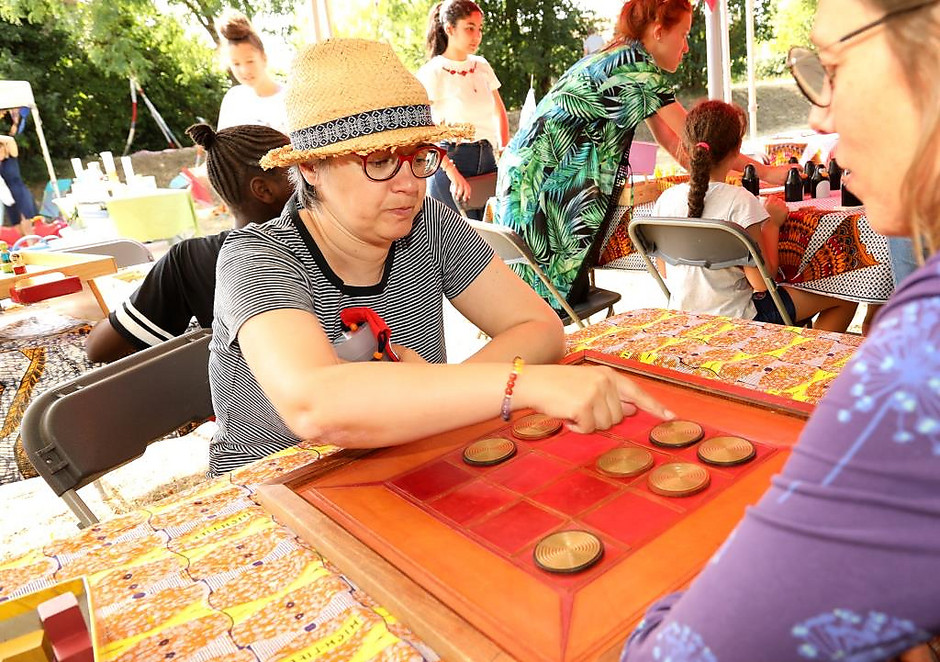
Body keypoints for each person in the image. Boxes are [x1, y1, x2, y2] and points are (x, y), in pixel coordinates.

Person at [620, 1, 940, 659]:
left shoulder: (921, 356)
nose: (818, 115)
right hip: (745, 318)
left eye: (832, 66)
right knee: (838, 303)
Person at [208, 38, 673, 477]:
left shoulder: (424, 220)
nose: (409, 184)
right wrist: (519, 386)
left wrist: (433, 398)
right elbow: (314, 404)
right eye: (379, 160)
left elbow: (541, 329)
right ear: (310, 167)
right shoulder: (255, 257)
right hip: (278, 495)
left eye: (418, 156)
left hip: (411, 466)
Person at [493, 0, 794, 310]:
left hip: (520, 186)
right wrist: (766, 173)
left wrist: (716, 172)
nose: (687, 47)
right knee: (546, 304)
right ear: (660, 31)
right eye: (685, 34)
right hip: (544, 194)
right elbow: (699, 140)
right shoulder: (636, 69)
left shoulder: (622, 59)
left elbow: (678, 146)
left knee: (530, 301)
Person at [84, 124, 292, 363]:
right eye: (299, 171)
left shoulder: (193, 259)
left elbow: (98, 349)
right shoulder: (326, 238)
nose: (311, 178)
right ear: (264, 190)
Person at [653, 100, 856, 332]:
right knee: (845, 296)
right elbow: (761, 283)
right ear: (737, 149)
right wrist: (772, 224)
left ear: (687, 147)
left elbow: (666, 270)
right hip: (738, 321)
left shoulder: (666, 200)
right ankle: (805, 357)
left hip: (684, 318)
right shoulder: (739, 202)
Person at [416, 0, 509, 215]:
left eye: (479, 29)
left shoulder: (482, 66)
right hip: (450, 163)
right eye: (469, 28)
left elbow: (499, 111)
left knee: (490, 239)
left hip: (488, 162)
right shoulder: (432, 72)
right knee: (457, 243)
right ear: (450, 29)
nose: (477, 36)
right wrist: (451, 172)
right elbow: (424, 129)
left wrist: (505, 151)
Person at [215, 10, 287, 133]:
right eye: (236, 64)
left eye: (250, 61)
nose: (244, 70)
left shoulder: (288, 97)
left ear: (264, 57)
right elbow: (222, 148)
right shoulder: (233, 100)